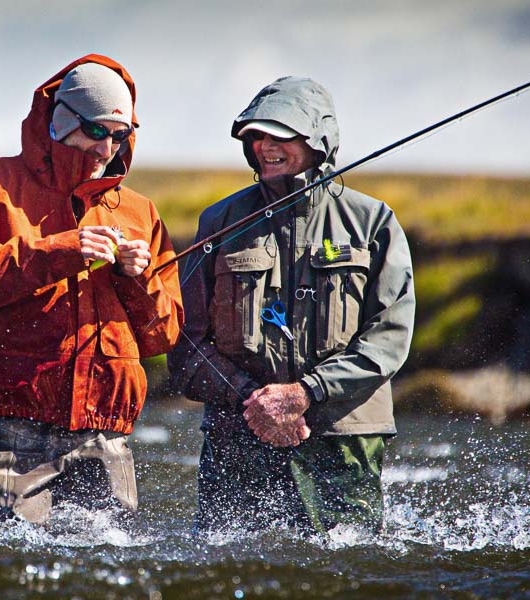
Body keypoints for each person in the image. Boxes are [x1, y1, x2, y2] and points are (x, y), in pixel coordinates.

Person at [0, 55, 183, 524]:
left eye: (119, 135)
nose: (107, 148)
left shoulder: (141, 211)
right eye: (96, 131)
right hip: (5, 431)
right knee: (7, 572)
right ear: (60, 121)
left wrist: (137, 279)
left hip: (105, 439)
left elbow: (162, 337)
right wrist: (59, 250)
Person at [168, 77, 415, 534]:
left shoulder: (374, 222)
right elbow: (184, 341)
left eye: (281, 134)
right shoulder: (219, 222)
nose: (265, 146)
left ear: (319, 141)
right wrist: (252, 400)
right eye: (256, 136)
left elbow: (389, 338)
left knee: (346, 573)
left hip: (344, 442)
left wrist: (304, 394)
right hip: (237, 439)